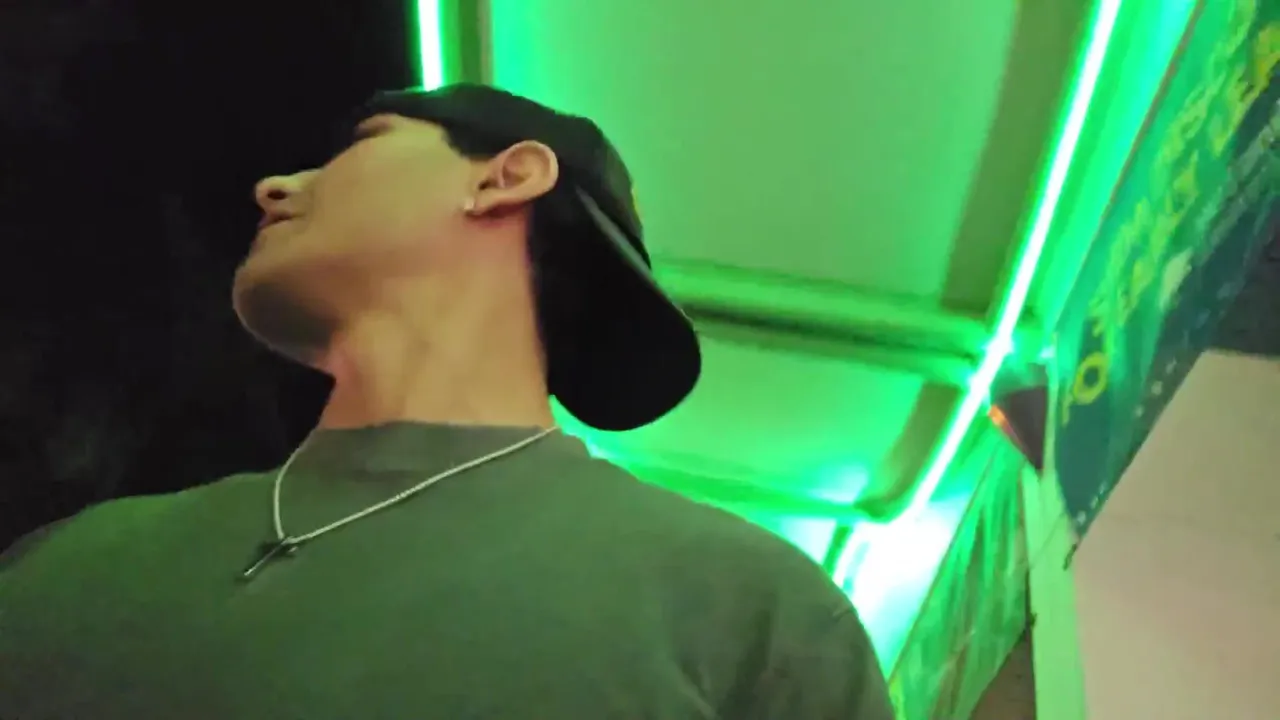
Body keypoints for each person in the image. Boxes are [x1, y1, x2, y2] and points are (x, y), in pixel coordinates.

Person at [0, 84, 893, 719]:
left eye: (360, 143)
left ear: (505, 177)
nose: (276, 187)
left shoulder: (749, 610)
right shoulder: (59, 563)